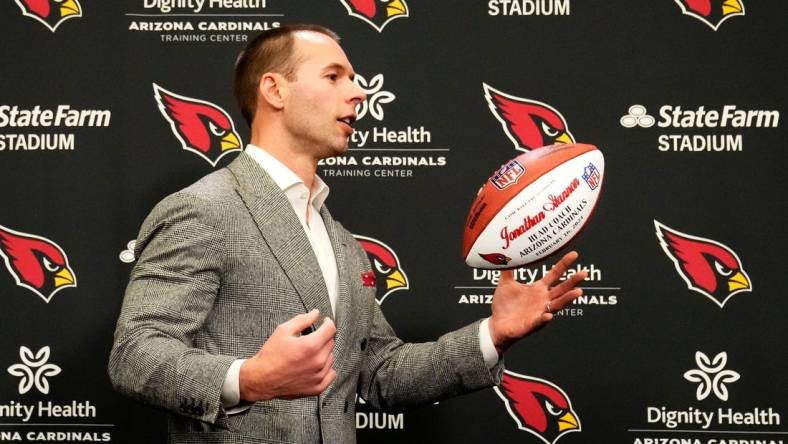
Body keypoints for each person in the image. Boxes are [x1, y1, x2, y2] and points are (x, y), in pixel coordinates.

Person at [108, 24, 587, 443]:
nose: (358, 92)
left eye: (355, 80)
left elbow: (380, 374)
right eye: (334, 76)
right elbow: (135, 353)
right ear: (274, 90)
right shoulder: (204, 209)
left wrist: (493, 335)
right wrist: (248, 379)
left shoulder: (343, 244)